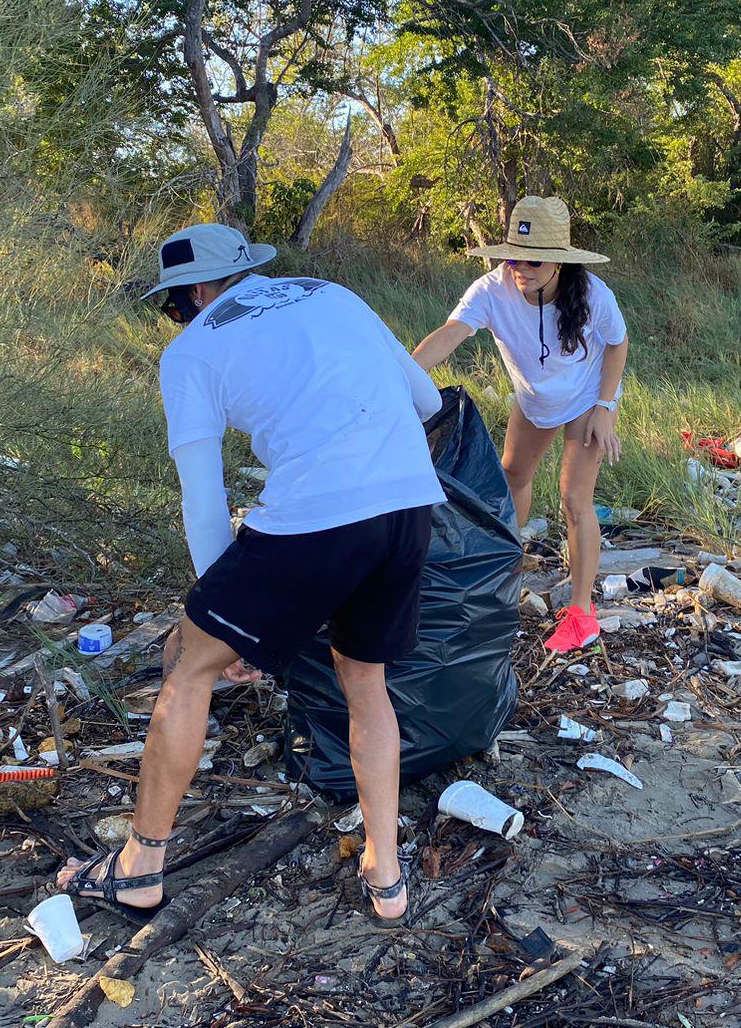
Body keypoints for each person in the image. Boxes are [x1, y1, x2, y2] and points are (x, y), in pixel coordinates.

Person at [57, 223, 444, 922]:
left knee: (189, 664)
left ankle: (139, 867)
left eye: (175, 305)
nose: (178, 318)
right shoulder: (333, 294)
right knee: (365, 681)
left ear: (197, 292)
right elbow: (427, 403)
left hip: (320, 515)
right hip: (409, 504)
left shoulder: (192, 353)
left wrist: (218, 618)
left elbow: (202, 497)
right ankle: (387, 877)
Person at [412, 195, 628, 653]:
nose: (519, 268)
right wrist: (404, 377)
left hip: (588, 398)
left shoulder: (592, 294)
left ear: (558, 263)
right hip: (536, 399)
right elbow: (451, 333)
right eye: (512, 255)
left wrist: (607, 406)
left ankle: (582, 614)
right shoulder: (491, 290)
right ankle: (505, 569)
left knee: (574, 497)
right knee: (513, 475)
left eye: (532, 260)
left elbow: (617, 344)